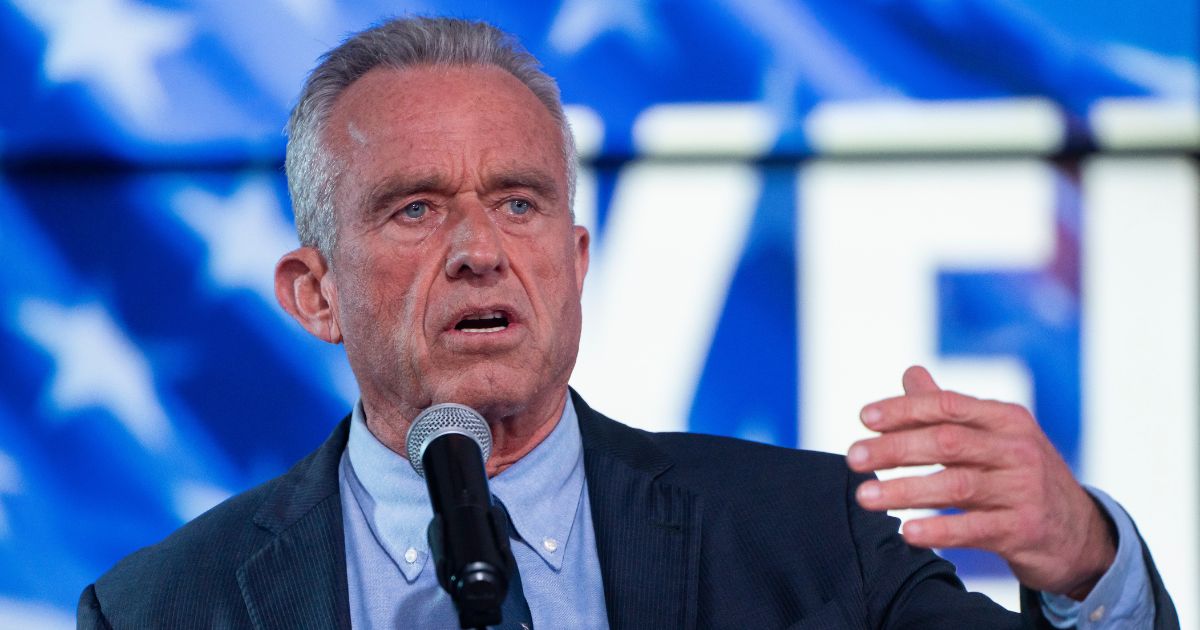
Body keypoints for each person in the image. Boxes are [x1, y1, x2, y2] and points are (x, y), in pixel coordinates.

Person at [78, 16, 1178, 629]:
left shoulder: (809, 542)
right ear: (314, 293)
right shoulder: (158, 615)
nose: (478, 249)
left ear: (575, 257)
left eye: (518, 201)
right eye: (414, 208)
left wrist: (1086, 561)